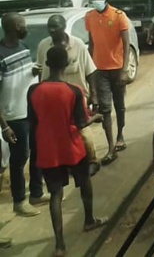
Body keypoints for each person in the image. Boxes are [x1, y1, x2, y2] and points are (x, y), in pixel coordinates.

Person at [28, 47, 108, 257]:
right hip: (72, 148)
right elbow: (81, 123)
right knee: (85, 183)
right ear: (67, 64)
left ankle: (60, 245)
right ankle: (89, 220)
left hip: (48, 149)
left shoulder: (34, 91)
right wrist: (96, 117)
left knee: (56, 194)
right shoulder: (73, 91)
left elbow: (33, 122)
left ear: (47, 63)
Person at [34, 15, 103, 177]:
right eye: (49, 27)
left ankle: (92, 160)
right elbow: (40, 70)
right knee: (57, 132)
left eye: (55, 27)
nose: (51, 30)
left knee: (82, 131)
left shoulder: (77, 45)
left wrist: (94, 95)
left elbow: (90, 70)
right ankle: (63, 162)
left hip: (75, 97)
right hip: (52, 97)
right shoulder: (43, 45)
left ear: (63, 27)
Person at [0, 13, 47, 217]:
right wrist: (4, 126)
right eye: (22, 24)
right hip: (13, 116)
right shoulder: (0, 54)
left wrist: (33, 71)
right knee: (19, 158)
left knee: (37, 152)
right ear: (12, 28)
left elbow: (23, 75)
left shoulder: (25, 48)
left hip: (31, 110)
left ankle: (36, 193)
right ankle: (19, 201)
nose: (24, 27)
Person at [85, 0, 130, 165]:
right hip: (100, 69)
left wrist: (124, 70)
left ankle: (120, 135)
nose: (96, 2)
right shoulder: (89, 17)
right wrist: (90, 70)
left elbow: (126, 45)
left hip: (117, 68)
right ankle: (111, 147)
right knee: (105, 108)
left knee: (119, 105)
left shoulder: (119, 16)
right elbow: (91, 44)